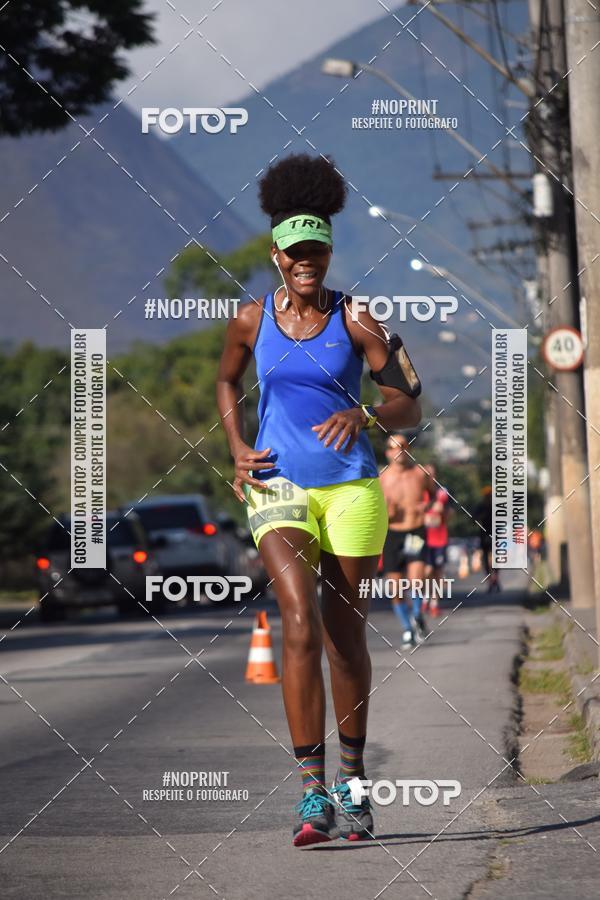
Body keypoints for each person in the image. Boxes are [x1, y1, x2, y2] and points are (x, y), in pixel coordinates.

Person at [216, 154, 421, 847]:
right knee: (297, 618)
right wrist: (237, 446)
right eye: (295, 253)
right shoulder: (250, 319)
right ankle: (312, 796)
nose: (307, 262)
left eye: (317, 251)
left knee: (344, 634)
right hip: (276, 483)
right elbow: (225, 381)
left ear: (328, 252)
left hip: (352, 488)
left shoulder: (356, 317)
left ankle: (354, 787)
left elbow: (407, 406)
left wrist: (366, 415)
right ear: (276, 256)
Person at [380, 434, 434, 647]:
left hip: (415, 531)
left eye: (403, 446)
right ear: (387, 452)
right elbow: (374, 510)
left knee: (416, 580)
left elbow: (436, 497)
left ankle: (417, 615)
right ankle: (407, 629)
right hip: (392, 534)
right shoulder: (381, 477)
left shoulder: (420, 473)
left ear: (408, 449)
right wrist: (386, 512)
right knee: (395, 588)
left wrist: (428, 508)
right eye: (393, 447)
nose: (398, 450)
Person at [422, 463, 450, 618]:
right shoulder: (419, 493)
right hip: (423, 539)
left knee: (437, 572)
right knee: (425, 571)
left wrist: (443, 511)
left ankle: (434, 603)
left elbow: (449, 512)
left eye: (431, 474)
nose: (429, 477)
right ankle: (425, 598)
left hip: (439, 538)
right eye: (426, 474)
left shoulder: (442, 492)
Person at [475, 486, 501, 592]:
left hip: (494, 535)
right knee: (487, 559)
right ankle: (492, 579)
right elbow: (474, 518)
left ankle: (494, 579)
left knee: (494, 558)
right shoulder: (481, 507)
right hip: (485, 535)